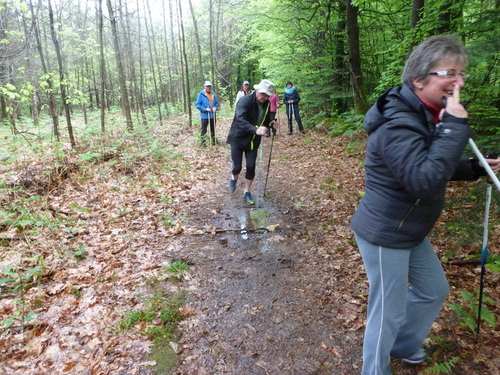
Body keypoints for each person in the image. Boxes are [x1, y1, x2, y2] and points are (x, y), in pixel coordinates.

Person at [350, 35, 500, 375]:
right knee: (388, 310)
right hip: (386, 231)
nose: (459, 82)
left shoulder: (426, 112)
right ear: (419, 79)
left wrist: (475, 167)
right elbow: (422, 180)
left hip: (411, 228)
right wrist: (454, 126)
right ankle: (374, 370)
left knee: (434, 290)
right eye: (450, 72)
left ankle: (403, 345)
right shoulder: (397, 123)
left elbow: (431, 164)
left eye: (462, 74)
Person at [227, 79, 276, 205]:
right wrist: (255, 129)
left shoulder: (266, 104)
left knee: (250, 166)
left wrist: (270, 123)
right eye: (263, 94)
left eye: (267, 95)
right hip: (238, 138)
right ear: (258, 90)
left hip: (253, 141)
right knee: (237, 167)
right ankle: (234, 177)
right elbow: (240, 119)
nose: (265, 97)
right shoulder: (245, 101)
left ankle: (247, 192)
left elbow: (265, 120)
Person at [195, 81, 219, 146]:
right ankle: (203, 143)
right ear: (204, 86)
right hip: (205, 115)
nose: (208, 87)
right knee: (204, 130)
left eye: (209, 86)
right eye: (207, 86)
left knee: (213, 129)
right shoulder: (201, 94)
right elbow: (197, 105)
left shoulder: (213, 94)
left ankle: (213, 141)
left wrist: (215, 108)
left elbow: (217, 104)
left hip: (212, 115)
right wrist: (205, 109)